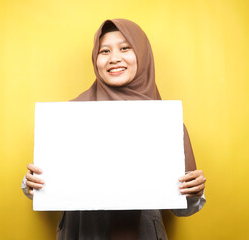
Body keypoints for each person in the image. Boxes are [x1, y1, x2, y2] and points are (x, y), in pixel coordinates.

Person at [21, 19, 206, 240]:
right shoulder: (69, 116)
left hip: (143, 233)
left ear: (143, 54)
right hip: (80, 232)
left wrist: (194, 191)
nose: (114, 58)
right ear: (95, 59)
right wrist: (31, 184)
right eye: (104, 51)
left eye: (125, 48)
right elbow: (49, 190)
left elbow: (183, 209)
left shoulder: (165, 122)